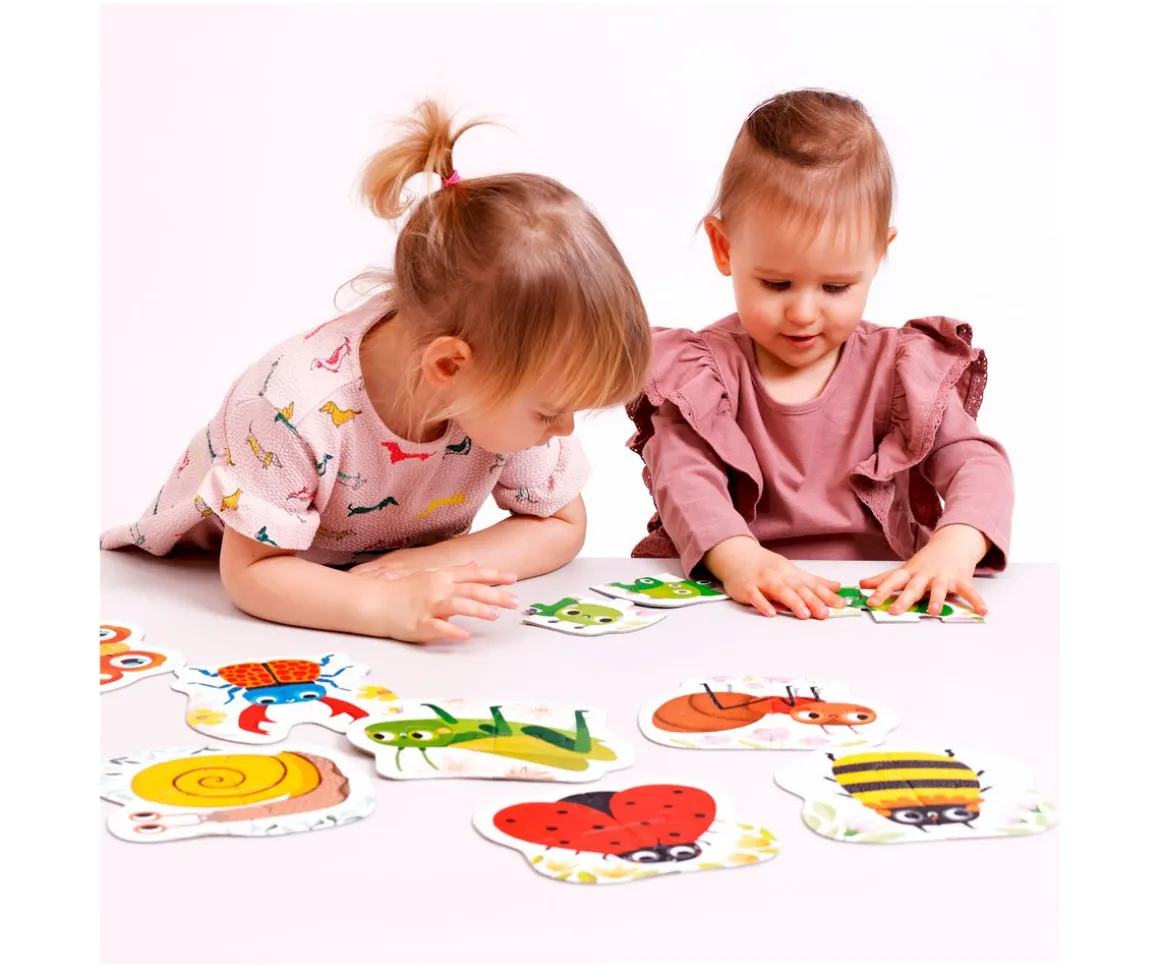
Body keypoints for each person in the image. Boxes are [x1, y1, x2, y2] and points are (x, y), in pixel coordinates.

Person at [102, 99, 651, 643]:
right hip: (182, 590)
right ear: (449, 365)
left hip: (340, 574)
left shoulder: (499, 384)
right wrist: (381, 605)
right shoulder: (291, 409)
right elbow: (251, 572)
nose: (564, 429)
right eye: (551, 411)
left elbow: (559, 523)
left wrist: (432, 563)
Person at [626, 89, 1012, 620]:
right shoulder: (701, 373)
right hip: (735, 598)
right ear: (724, 247)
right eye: (777, 283)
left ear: (877, 255)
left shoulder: (900, 368)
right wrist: (740, 559)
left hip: (878, 601)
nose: (804, 313)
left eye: (835, 287)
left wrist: (955, 545)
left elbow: (977, 463)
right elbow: (683, 476)